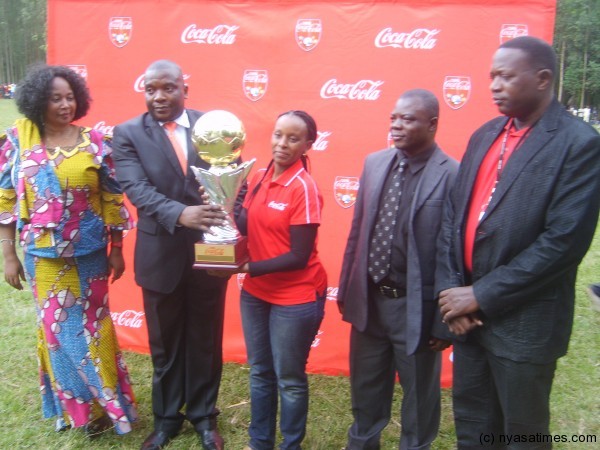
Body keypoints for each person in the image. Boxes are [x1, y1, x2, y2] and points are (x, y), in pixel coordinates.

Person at [436, 36, 600, 448]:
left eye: (506, 76)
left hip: (524, 325)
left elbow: (563, 242)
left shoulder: (578, 143)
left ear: (542, 79)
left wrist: (481, 295)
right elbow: (452, 219)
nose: (493, 85)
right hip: (467, 322)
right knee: (473, 429)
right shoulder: (484, 134)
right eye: (491, 76)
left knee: (522, 435)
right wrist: (451, 296)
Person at [0, 64, 137, 436]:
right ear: (37, 101)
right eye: (55, 98)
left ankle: (108, 404)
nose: (64, 104)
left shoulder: (94, 142)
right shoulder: (17, 142)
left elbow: (112, 196)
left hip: (90, 254)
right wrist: (9, 254)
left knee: (94, 329)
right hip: (41, 258)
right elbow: (7, 198)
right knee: (58, 333)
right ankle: (78, 410)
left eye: (69, 97)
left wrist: (118, 247)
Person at [112, 60, 229, 450]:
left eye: (167, 88)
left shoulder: (213, 127)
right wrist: (181, 213)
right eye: (150, 89)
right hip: (159, 254)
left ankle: (204, 417)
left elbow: (231, 183)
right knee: (164, 346)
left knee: (205, 339)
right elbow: (136, 189)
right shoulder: (127, 133)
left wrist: (228, 218)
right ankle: (166, 420)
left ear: (184, 88)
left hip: (208, 254)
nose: (158, 96)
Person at [337, 89, 458, 450]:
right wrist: (347, 290)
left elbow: (451, 252)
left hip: (416, 309)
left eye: (407, 119)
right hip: (371, 302)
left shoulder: (452, 173)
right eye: (393, 118)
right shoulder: (375, 163)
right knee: (366, 393)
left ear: (433, 124)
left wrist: (442, 319)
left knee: (419, 401)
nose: (396, 125)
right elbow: (357, 232)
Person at [229, 110, 327, 450]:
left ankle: (291, 445)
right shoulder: (257, 176)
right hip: (256, 293)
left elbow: (298, 256)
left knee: (289, 379)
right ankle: (260, 443)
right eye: (278, 135)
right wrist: (222, 207)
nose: (282, 143)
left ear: (308, 144)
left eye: (293, 138)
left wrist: (248, 268)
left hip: (295, 297)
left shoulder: (304, 188)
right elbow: (245, 226)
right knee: (260, 372)